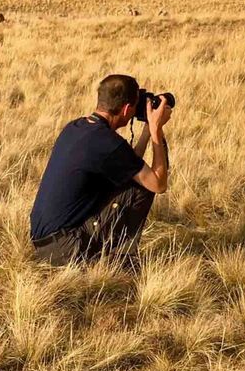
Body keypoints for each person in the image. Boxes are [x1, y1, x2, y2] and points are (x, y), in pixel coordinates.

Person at [29, 73, 171, 269]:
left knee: (133, 180)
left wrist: (147, 130)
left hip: (44, 242)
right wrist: (156, 130)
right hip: (67, 248)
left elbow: (128, 166)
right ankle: (121, 263)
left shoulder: (76, 128)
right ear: (127, 108)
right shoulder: (107, 143)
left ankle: (107, 256)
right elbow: (158, 184)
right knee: (143, 188)